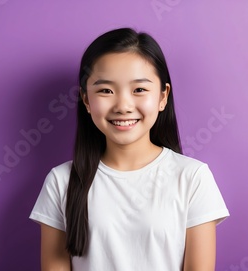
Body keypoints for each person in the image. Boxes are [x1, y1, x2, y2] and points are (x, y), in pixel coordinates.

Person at [29, 27, 230, 271]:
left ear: (163, 96)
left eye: (139, 90)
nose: (123, 106)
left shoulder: (192, 178)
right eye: (106, 90)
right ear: (86, 100)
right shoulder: (61, 181)